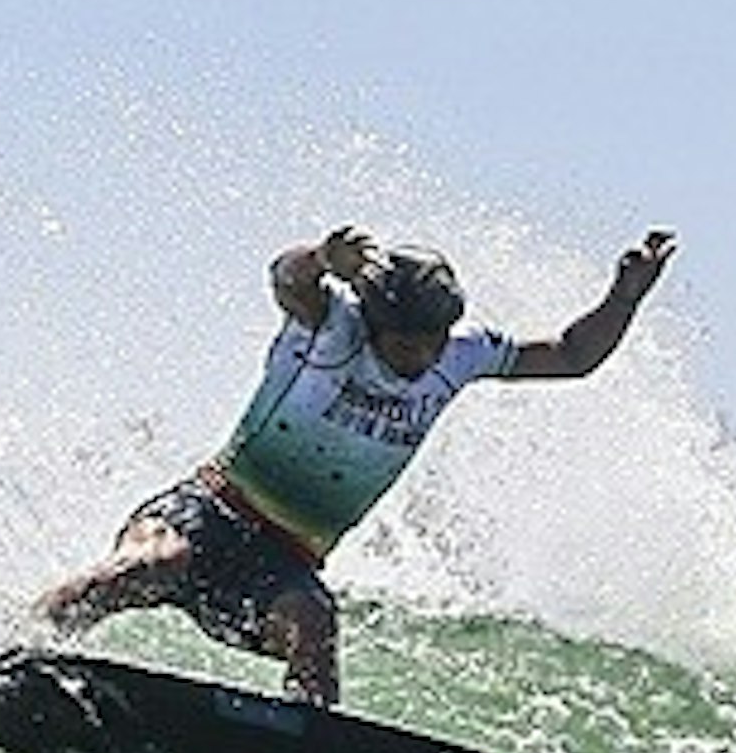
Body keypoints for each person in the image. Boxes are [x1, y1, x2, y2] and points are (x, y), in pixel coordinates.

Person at [36, 223, 679, 705]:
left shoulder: (459, 357)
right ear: (373, 323)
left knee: (313, 625)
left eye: (431, 345)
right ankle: (12, 648)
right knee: (156, 564)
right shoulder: (330, 326)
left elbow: (570, 355)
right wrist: (322, 257)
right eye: (404, 344)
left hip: (283, 562)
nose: (420, 359)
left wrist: (624, 297)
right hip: (208, 512)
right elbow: (288, 280)